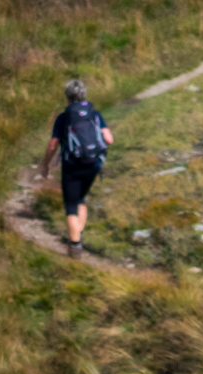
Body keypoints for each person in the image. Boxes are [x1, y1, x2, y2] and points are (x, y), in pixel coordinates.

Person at [40, 79, 114, 259]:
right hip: (93, 164)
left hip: (72, 166)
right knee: (81, 199)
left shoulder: (63, 118)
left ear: (67, 96)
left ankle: (75, 247)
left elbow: (53, 145)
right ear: (84, 94)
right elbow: (109, 139)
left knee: (71, 205)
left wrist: (45, 164)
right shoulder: (94, 115)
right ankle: (78, 234)